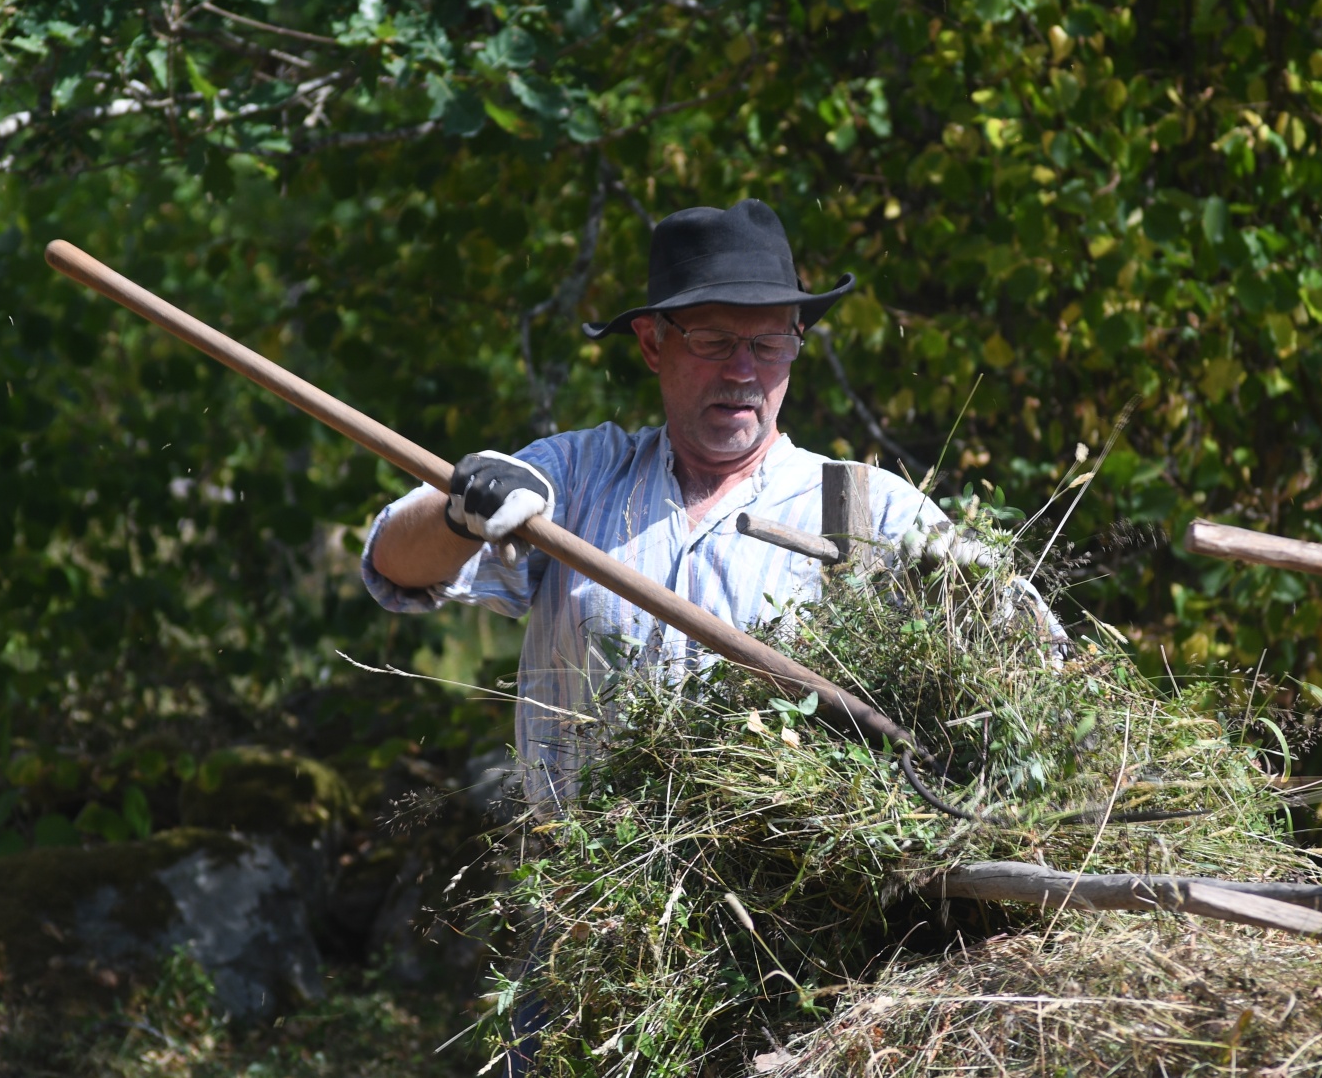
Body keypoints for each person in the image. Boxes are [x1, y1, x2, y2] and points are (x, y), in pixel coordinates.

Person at [360, 198, 958, 806]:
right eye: (714, 341)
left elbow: (1031, 659)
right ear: (652, 345)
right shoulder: (577, 477)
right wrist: (462, 508)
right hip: (583, 888)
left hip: (790, 894)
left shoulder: (864, 509)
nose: (744, 370)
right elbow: (394, 563)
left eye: (771, 343)